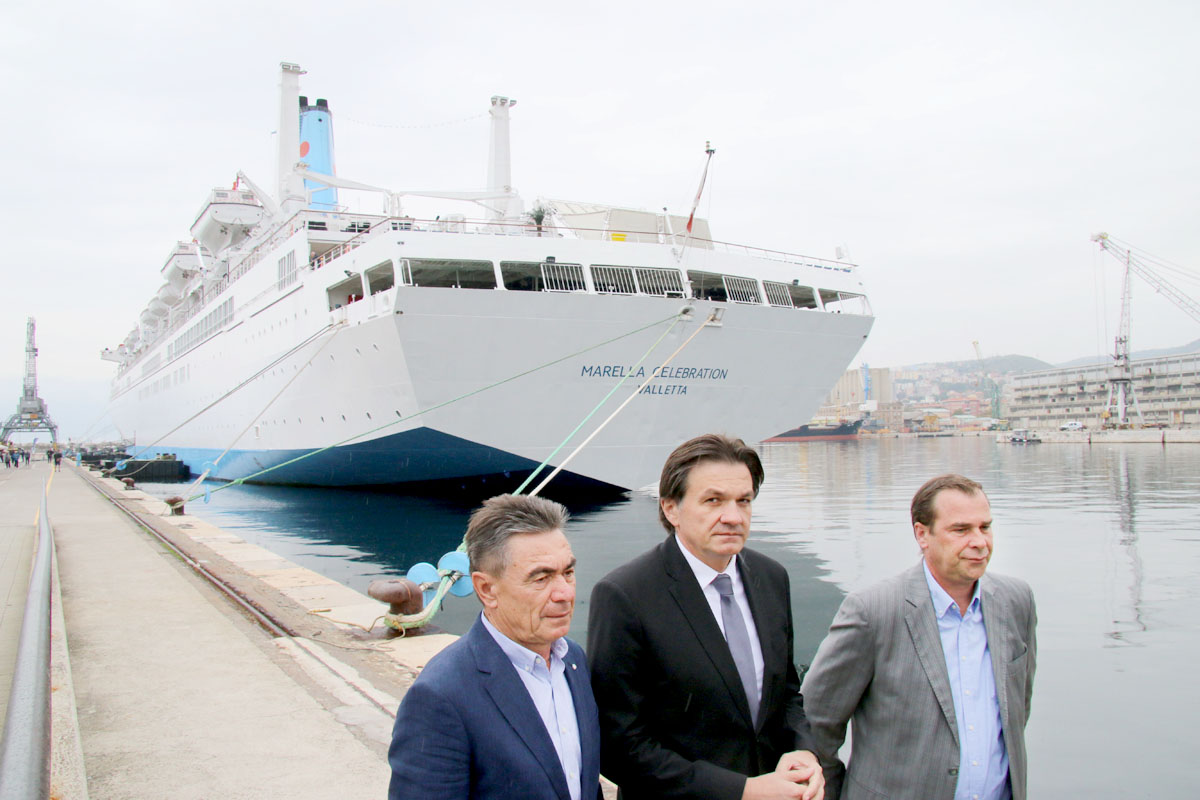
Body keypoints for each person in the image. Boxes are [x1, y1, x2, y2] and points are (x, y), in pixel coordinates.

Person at [588, 433, 824, 800]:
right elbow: (618, 744)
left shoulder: (772, 578)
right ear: (671, 509)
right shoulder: (625, 596)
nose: (733, 517)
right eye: (713, 500)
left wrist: (803, 751)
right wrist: (743, 791)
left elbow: (786, 694)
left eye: (743, 501)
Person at [801, 474, 1037, 800]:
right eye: (961, 530)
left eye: (985, 527)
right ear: (922, 534)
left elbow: (1017, 709)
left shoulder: (1016, 602)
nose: (979, 542)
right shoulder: (874, 612)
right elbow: (815, 725)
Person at [388, 493, 602, 800]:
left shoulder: (574, 661)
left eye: (567, 573)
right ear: (486, 589)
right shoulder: (440, 697)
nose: (565, 594)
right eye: (541, 578)